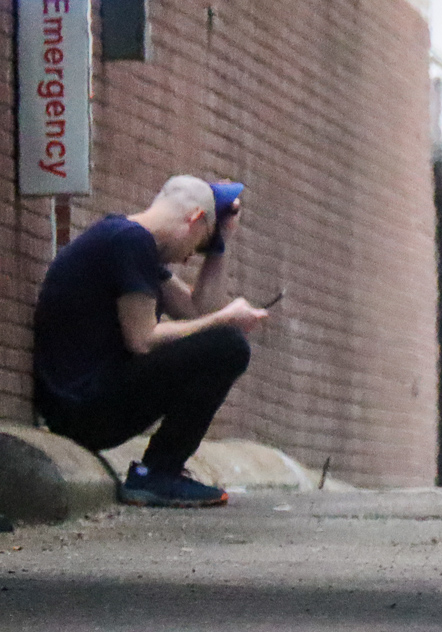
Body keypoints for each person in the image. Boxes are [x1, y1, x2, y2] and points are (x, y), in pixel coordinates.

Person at [32, 175, 269, 507]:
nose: (189, 258)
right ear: (195, 219)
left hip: (82, 403)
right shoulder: (130, 242)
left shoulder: (127, 240)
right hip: (80, 407)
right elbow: (142, 340)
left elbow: (196, 310)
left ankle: (159, 472)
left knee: (222, 343)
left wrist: (219, 243)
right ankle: (157, 474)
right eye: (199, 245)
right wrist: (225, 319)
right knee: (228, 346)